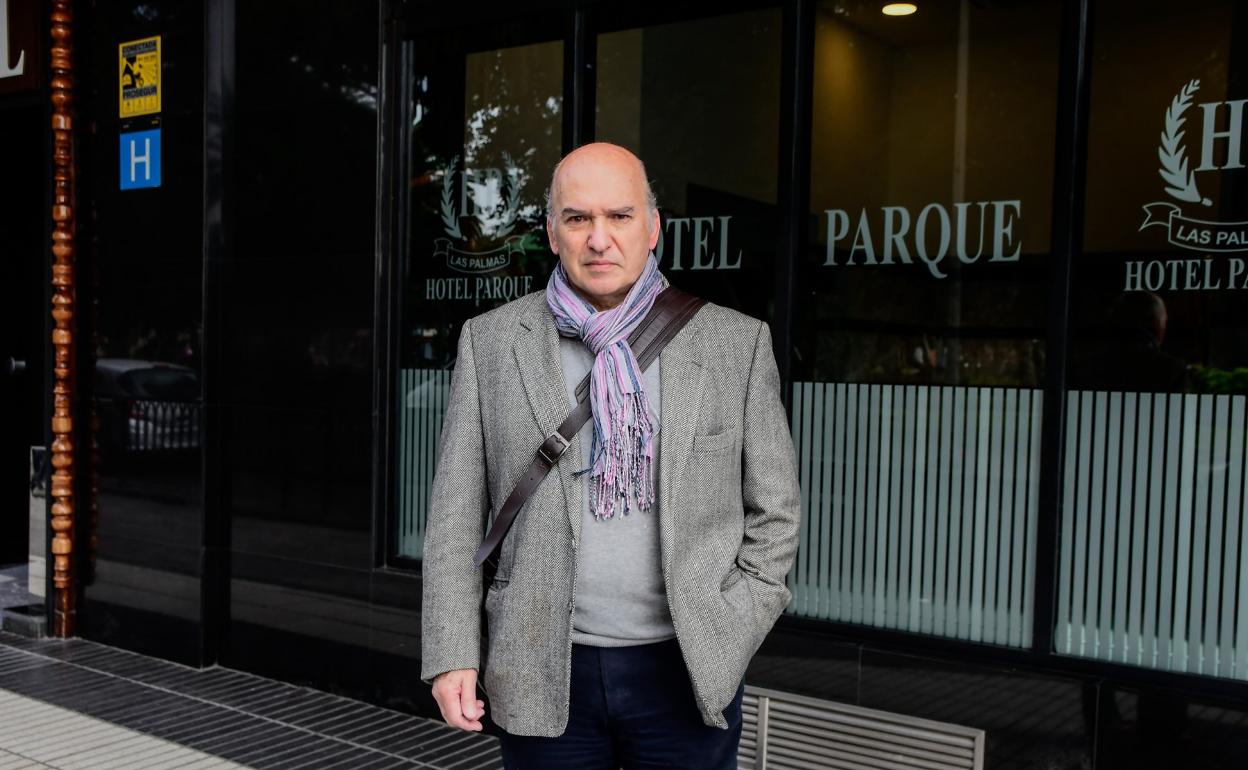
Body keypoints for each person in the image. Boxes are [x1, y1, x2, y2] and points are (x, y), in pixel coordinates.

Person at [420, 142, 801, 769]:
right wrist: (452, 650)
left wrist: (729, 630)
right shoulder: (492, 342)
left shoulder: (736, 344)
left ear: (652, 229)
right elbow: (457, 517)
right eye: (578, 219)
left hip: (687, 668)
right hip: (539, 662)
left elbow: (775, 515)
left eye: (619, 216)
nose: (599, 238)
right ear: (551, 232)